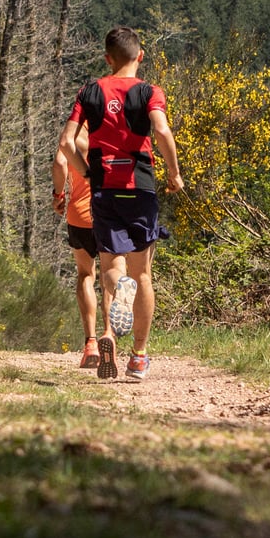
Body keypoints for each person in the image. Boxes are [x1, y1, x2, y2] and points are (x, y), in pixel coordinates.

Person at [59, 26, 184, 382]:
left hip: (104, 189)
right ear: (140, 56)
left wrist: (85, 172)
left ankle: (111, 326)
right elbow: (160, 130)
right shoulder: (149, 92)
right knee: (142, 273)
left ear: (107, 59)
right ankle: (139, 357)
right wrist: (174, 172)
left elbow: (67, 141)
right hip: (140, 186)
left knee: (112, 269)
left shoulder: (90, 91)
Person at [51, 123, 104, 371]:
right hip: (111, 211)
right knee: (114, 273)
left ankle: (91, 342)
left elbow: (61, 163)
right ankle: (110, 335)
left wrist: (59, 195)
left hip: (81, 214)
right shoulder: (114, 128)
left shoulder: (75, 133)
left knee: (86, 274)